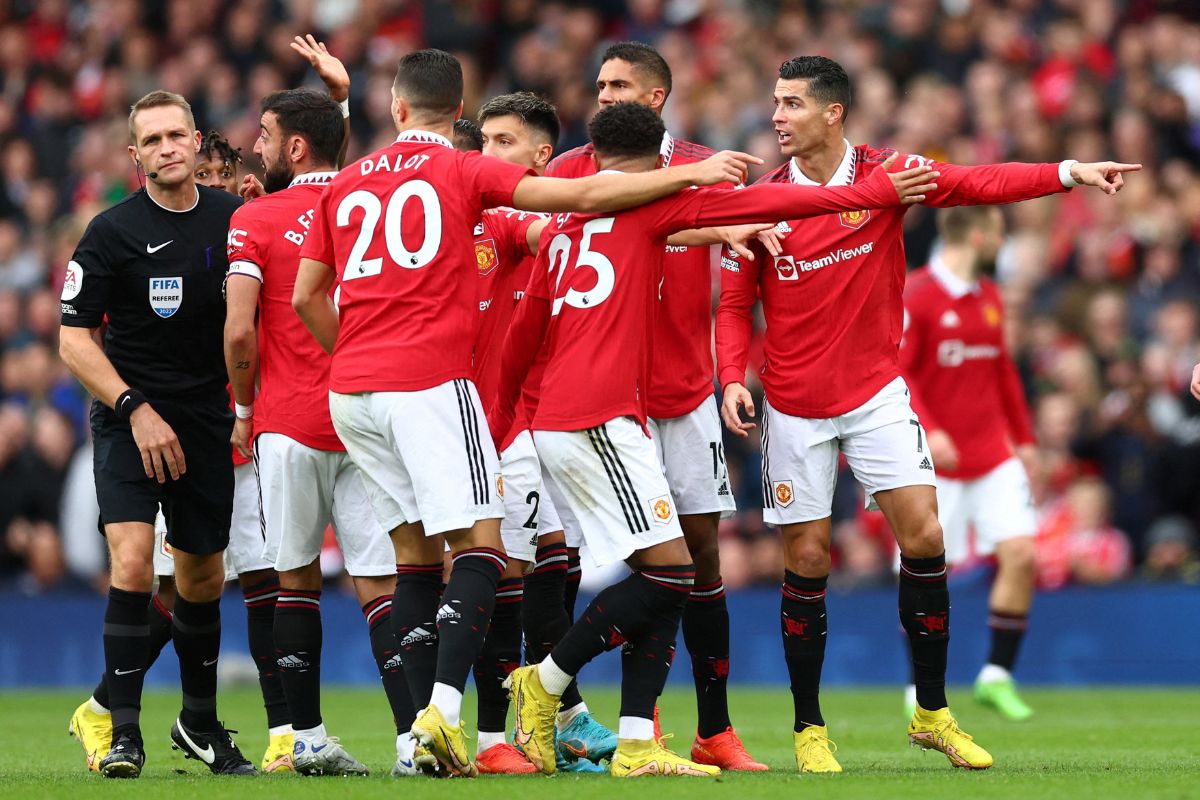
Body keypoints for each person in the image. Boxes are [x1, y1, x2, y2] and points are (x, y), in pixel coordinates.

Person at [291, 49, 757, 778]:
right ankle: (454, 719)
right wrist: (693, 179)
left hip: (351, 391)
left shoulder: (348, 182)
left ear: (398, 107)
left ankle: (422, 744)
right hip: (431, 384)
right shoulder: (461, 171)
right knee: (484, 547)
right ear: (458, 112)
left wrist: (352, 355)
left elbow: (304, 297)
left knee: (416, 560)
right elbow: (578, 208)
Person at [715, 55, 1140, 772]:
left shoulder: (889, 173)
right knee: (809, 557)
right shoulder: (762, 202)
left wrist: (1067, 171)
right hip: (793, 406)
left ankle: (934, 713)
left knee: (925, 534)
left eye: (792, 104)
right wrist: (732, 377)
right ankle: (809, 727)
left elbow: (978, 182)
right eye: (776, 102)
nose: (778, 117)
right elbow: (732, 306)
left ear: (833, 113)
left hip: (877, 393)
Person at [498, 101, 935, 778]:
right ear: (655, 162)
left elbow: (524, 335)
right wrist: (876, 191)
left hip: (571, 416)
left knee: (662, 574)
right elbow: (783, 201)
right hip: (595, 418)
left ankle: (640, 742)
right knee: (674, 572)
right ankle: (546, 681)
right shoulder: (655, 210)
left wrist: (504, 424)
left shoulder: (560, 224)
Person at [545, 43, 762, 769]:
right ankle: (634, 726)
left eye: (621, 86)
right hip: (596, 401)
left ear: (658, 96)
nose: (605, 96)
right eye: (599, 84)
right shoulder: (572, 172)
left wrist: (729, 372)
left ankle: (714, 729)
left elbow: (737, 261)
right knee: (584, 557)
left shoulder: (702, 165)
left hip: (676, 396)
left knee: (696, 559)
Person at [57, 89, 256, 778]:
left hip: (203, 417)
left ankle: (199, 723)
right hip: (126, 417)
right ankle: (122, 734)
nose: (169, 147)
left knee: (202, 575)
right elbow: (73, 342)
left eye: (179, 134)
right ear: (134, 153)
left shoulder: (235, 219)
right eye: (154, 139)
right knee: (135, 562)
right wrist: (134, 407)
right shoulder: (110, 232)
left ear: (199, 142)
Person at [225, 87, 418, 778]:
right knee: (383, 587)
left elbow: (241, 327)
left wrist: (243, 409)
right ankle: (410, 741)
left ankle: (304, 737)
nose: (258, 146)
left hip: (289, 423)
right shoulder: (371, 202)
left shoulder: (256, 218)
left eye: (267, 135)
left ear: (295, 148)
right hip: (367, 418)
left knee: (295, 578)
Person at [467, 91, 613, 774]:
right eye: (485, 141)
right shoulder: (483, 219)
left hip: (554, 412)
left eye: (504, 142)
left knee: (555, 564)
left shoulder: (554, 214)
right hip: (492, 420)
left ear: (541, 155)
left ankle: (555, 719)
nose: (488, 154)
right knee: (515, 569)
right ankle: (500, 734)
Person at [899, 206, 1039, 721]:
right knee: (927, 572)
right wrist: (930, 429)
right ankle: (920, 688)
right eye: (1000, 235)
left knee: (1022, 553)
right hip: (936, 461)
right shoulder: (918, 294)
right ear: (978, 235)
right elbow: (899, 370)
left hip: (992, 454)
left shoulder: (990, 298)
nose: (1002, 245)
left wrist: (1024, 441)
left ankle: (997, 677)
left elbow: (1003, 374)